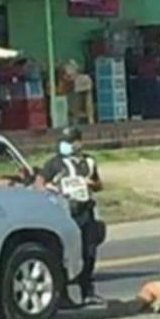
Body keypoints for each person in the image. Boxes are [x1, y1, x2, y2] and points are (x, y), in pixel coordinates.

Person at [35, 127, 104, 305]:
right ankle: (63, 295)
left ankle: (87, 291)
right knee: (63, 253)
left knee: (88, 252)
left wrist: (91, 183)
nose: (69, 145)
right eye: (66, 141)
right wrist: (52, 190)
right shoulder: (54, 163)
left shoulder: (88, 162)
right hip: (64, 212)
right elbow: (39, 183)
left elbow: (98, 184)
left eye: (72, 141)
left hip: (85, 211)